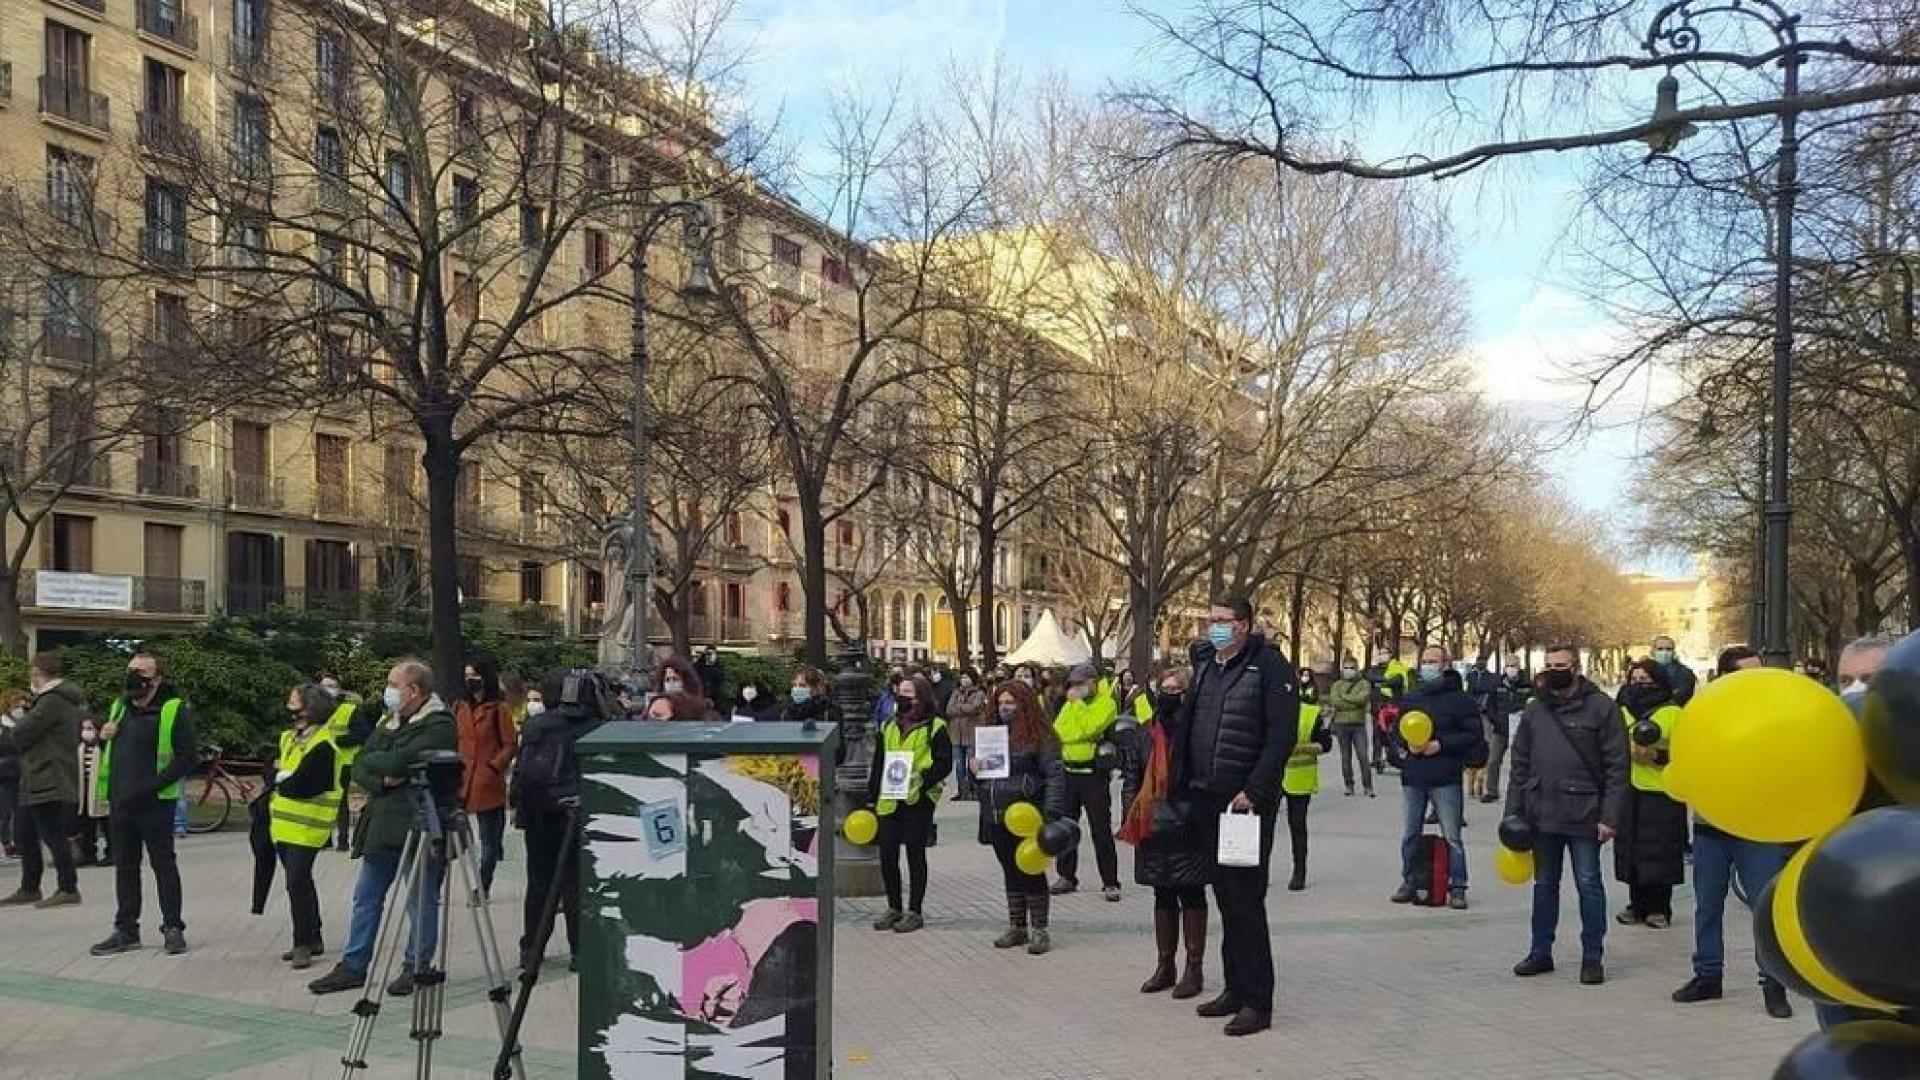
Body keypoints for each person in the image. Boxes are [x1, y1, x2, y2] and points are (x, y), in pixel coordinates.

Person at [1176, 595, 1298, 1037]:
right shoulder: (1210, 666)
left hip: (1245, 803)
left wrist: (1256, 790)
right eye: (1211, 621)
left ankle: (1257, 1001)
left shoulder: (1269, 667)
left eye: (1223, 621)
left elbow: (1280, 737)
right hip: (1208, 797)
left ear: (1244, 624)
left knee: (1246, 899)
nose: (1215, 628)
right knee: (1224, 896)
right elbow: (1194, 724)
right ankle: (1233, 987)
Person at [308, 660, 458, 996]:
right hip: (381, 823)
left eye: (393, 684)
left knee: (421, 898)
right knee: (366, 896)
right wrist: (384, 777)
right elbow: (362, 763)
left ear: (415, 690)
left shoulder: (438, 724)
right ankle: (354, 964)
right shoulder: (389, 719)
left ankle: (416, 965)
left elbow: (397, 761)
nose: (388, 691)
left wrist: (387, 767)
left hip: (418, 822)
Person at [1672, 646, 1794, 1020]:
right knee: (1707, 904)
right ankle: (1707, 975)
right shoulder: (1705, 715)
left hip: (1757, 827)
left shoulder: (1775, 716)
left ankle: (1773, 982)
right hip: (1712, 828)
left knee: (1764, 907)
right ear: (1725, 678)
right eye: (1746, 674)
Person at [1507, 645, 1630, 986]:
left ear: (1576, 667)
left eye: (1560, 665)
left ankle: (1592, 957)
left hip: (1585, 814)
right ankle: (1540, 951)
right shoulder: (1535, 710)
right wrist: (1512, 816)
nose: (1553, 671)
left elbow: (1618, 767)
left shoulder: (1602, 708)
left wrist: (1610, 817)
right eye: (1548, 666)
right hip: (1541, 812)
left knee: (1589, 883)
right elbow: (1519, 765)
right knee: (1544, 885)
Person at [90, 652, 198, 956]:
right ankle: (126, 929)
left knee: (163, 864)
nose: (134, 677)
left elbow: (188, 757)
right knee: (124, 866)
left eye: (142, 673)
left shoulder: (172, 709)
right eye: (131, 671)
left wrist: (153, 786)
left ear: (157, 678)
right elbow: (110, 749)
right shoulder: (119, 707)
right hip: (121, 802)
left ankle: (173, 927)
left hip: (154, 802)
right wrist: (103, 736)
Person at [512, 670, 611, 972]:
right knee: (575, 885)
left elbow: (523, 771)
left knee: (539, 883)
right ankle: (580, 951)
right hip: (580, 814)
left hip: (540, 814)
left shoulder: (538, 725)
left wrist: (520, 809)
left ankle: (532, 949)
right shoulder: (598, 727)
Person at [1121, 667, 1211, 999]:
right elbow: (1131, 778)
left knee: (1191, 893)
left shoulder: (1198, 733)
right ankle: (1165, 965)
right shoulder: (1144, 734)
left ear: (1187, 695)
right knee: (1162, 895)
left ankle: (1194, 968)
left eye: (1175, 688)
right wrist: (1131, 816)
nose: (1167, 694)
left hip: (1189, 824)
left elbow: (1206, 777)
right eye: (1164, 687)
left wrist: (1198, 813)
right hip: (1153, 824)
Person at [973, 680, 1067, 955]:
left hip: (1026, 813)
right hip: (996, 812)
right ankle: (1017, 925)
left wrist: (1050, 813)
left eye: (1011, 702)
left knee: (1030, 868)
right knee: (1009, 870)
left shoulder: (1040, 736)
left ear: (1023, 704)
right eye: (1001, 702)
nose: (1005, 708)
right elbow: (979, 779)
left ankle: (1039, 928)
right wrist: (973, 768)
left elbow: (1055, 776)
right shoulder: (991, 734)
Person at [1391, 644, 1482, 910]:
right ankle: (1409, 881)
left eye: (1433, 661)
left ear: (1445, 665)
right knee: (1410, 833)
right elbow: (1397, 731)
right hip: (1414, 775)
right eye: (1425, 661)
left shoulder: (1460, 699)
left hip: (1445, 775)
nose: (1428, 666)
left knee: (1452, 835)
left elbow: (1472, 734)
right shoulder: (1412, 696)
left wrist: (1441, 744)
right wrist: (1405, 748)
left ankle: (1458, 886)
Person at [866, 674, 951, 933]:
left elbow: (944, 762)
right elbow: (879, 762)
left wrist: (923, 779)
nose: (902, 697)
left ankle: (914, 910)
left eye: (908, 693)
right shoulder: (888, 726)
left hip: (918, 798)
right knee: (887, 853)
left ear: (921, 696)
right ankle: (894, 906)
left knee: (915, 852)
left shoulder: (934, 726)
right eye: (899, 692)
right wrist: (871, 796)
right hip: (890, 797)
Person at [0, 653, 85, 908]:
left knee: (52, 833)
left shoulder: (53, 701)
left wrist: (7, 725)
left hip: (49, 774)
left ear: (41, 673)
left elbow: (23, 733)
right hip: (35, 774)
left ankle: (68, 888)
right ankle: (29, 886)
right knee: (24, 833)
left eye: (33, 674)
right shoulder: (47, 701)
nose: (31, 680)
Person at [270, 684, 344, 970]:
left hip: (309, 826)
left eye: (293, 701)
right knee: (299, 882)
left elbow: (306, 783)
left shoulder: (323, 744)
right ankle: (313, 937)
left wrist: (281, 777)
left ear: (308, 708)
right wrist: (280, 776)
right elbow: (271, 771)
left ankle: (302, 943)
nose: (288, 706)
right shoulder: (289, 738)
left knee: (296, 882)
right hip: (284, 826)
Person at [1614, 660, 1687, 931]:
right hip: (1627, 789)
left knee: (1660, 850)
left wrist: (1656, 756)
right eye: (1635, 678)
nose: (1640, 683)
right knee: (1630, 847)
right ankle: (1636, 904)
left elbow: (1686, 751)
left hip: (1661, 790)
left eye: (1646, 678)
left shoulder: (1672, 712)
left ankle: (1659, 907)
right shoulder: (1620, 709)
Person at [1050, 663, 1122, 899]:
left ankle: (1110, 881)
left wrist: (1079, 706)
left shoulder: (1106, 703)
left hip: (1093, 774)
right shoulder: (1068, 705)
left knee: (1100, 828)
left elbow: (1092, 728)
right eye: (1074, 684)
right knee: (1065, 826)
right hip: (1069, 772)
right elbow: (1059, 731)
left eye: (1081, 684)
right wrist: (1078, 725)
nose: (1076, 689)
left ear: (1093, 682)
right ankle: (1066, 875)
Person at [456, 657, 517, 894]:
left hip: (487, 781)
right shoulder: (460, 707)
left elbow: (510, 744)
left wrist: (494, 767)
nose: (470, 681)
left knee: (488, 840)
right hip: (462, 780)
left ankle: (483, 885)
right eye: (466, 676)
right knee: (457, 836)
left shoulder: (498, 709)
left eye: (474, 675)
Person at [1280, 672, 1333, 892]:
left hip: (1299, 776)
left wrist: (1299, 748)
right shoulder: (1267, 710)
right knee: (1262, 828)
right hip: (1268, 776)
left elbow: (1326, 745)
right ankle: (1258, 871)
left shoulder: (1311, 714)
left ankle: (1299, 872)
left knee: (1297, 826)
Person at [1327, 658, 1374, 798]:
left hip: (1358, 725)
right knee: (1345, 757)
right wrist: (1351, 701)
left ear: (1357, 668)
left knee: (1363, 756)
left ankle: (1368, 786)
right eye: (1346, 668)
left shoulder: (1364, 684)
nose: (1349, 670)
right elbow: (1336, 702)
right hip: (1341, 725)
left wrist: (1345, 698)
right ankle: (1349, 785)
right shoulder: (1336, 685)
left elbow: (1362, 700)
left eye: (1351, 668)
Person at [1485, 663, 1529, 803]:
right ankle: (1491, 791)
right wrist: (1495, 720)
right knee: (1492, 761)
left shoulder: (1527, 685)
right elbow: (1489, 705)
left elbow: (1534, 704)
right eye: (1509, 665)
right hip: (1500, 729)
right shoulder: (1497, 685)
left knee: (1521, 762)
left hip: (1520, 729)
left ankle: (1522, 792)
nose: (1511, 668)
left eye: (1514, 665)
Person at [945, 670, 986, 802]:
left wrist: (959, 707)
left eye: (967, 677)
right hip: (956, 735)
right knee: (959, 766)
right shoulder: (956, 692)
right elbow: (948, 710)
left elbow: (974, 708)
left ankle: (974, 790)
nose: (964, 680)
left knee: (972, 764)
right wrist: (963, 708)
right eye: (962, 677)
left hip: (971, 734)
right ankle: (962, 791)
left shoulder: (979, 693)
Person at [1649, 635, 1699, 706]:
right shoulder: (1646, 671)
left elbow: (1682, 696)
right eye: (1660, 649)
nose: (1664, 652)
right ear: (1652, 652)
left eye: (1669, 649)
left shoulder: (1684, 673)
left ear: (1674, 652)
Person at [0, 691, 19, 862]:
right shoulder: (4, 725)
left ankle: (18, 842)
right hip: (5, 772)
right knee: (5, 810)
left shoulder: (18, 723)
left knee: (19, 809)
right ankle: (6, 842)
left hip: (19, 770)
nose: (19, 707)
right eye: (16, 704)